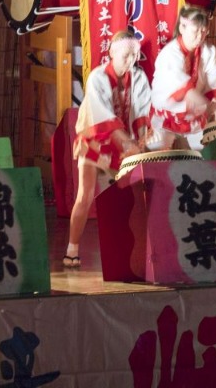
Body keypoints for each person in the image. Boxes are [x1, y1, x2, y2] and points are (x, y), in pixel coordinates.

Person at [65, 30, 150, 268]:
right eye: (126, 54)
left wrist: (142, 143)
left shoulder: (139, 78)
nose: (131, 60)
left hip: (125, 145)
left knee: (137, 195)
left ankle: (137, 249)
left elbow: (143, 112)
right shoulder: (97, 77)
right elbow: (103, 118)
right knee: (85, 194)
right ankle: (72, 248)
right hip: (95, 140)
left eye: (135, 54)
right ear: (112, 52)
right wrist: (128, 143)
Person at [146, 4, 216, 150]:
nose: (200, 36)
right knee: (156, 151)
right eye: (195, 31)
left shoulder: (209, 53)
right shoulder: (169, 54)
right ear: (182, 28)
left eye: (203, 31)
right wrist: (205, 106)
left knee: (211, 148)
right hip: (166, 117)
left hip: (194, 119)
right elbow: (185, 90)